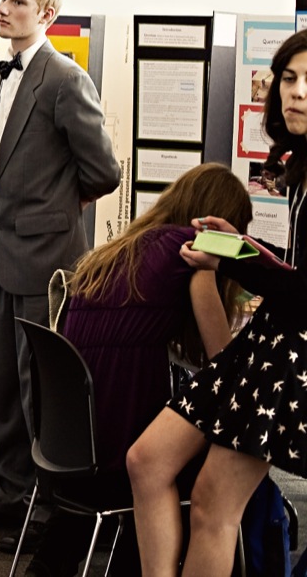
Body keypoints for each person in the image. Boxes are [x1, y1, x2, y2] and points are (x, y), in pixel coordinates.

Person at [0, 0, 121, 533]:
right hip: (3, 254)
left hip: (47, 260)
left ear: (47, 13)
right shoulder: (3, 78)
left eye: (17, 0)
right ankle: (6, 493)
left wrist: (57, 207)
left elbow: (104, 172)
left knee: (39, 389)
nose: (3, 8)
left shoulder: (65, 79)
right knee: (1, 387)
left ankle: (46, 510)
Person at [7, 163, 251, 577]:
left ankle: (53, 561)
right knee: (218, 469)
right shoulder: (191, 251)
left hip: (70, 448)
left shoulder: (119, 251)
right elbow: (222, 362)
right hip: (120, 454)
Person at [127, 32, 307, 577]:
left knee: (213, 505)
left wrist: (237, 257)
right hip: (269, 340)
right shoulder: (300, 166)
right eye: (290, 78)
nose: (297, 92)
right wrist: (239, 247)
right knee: (147, 461)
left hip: (290, 353)